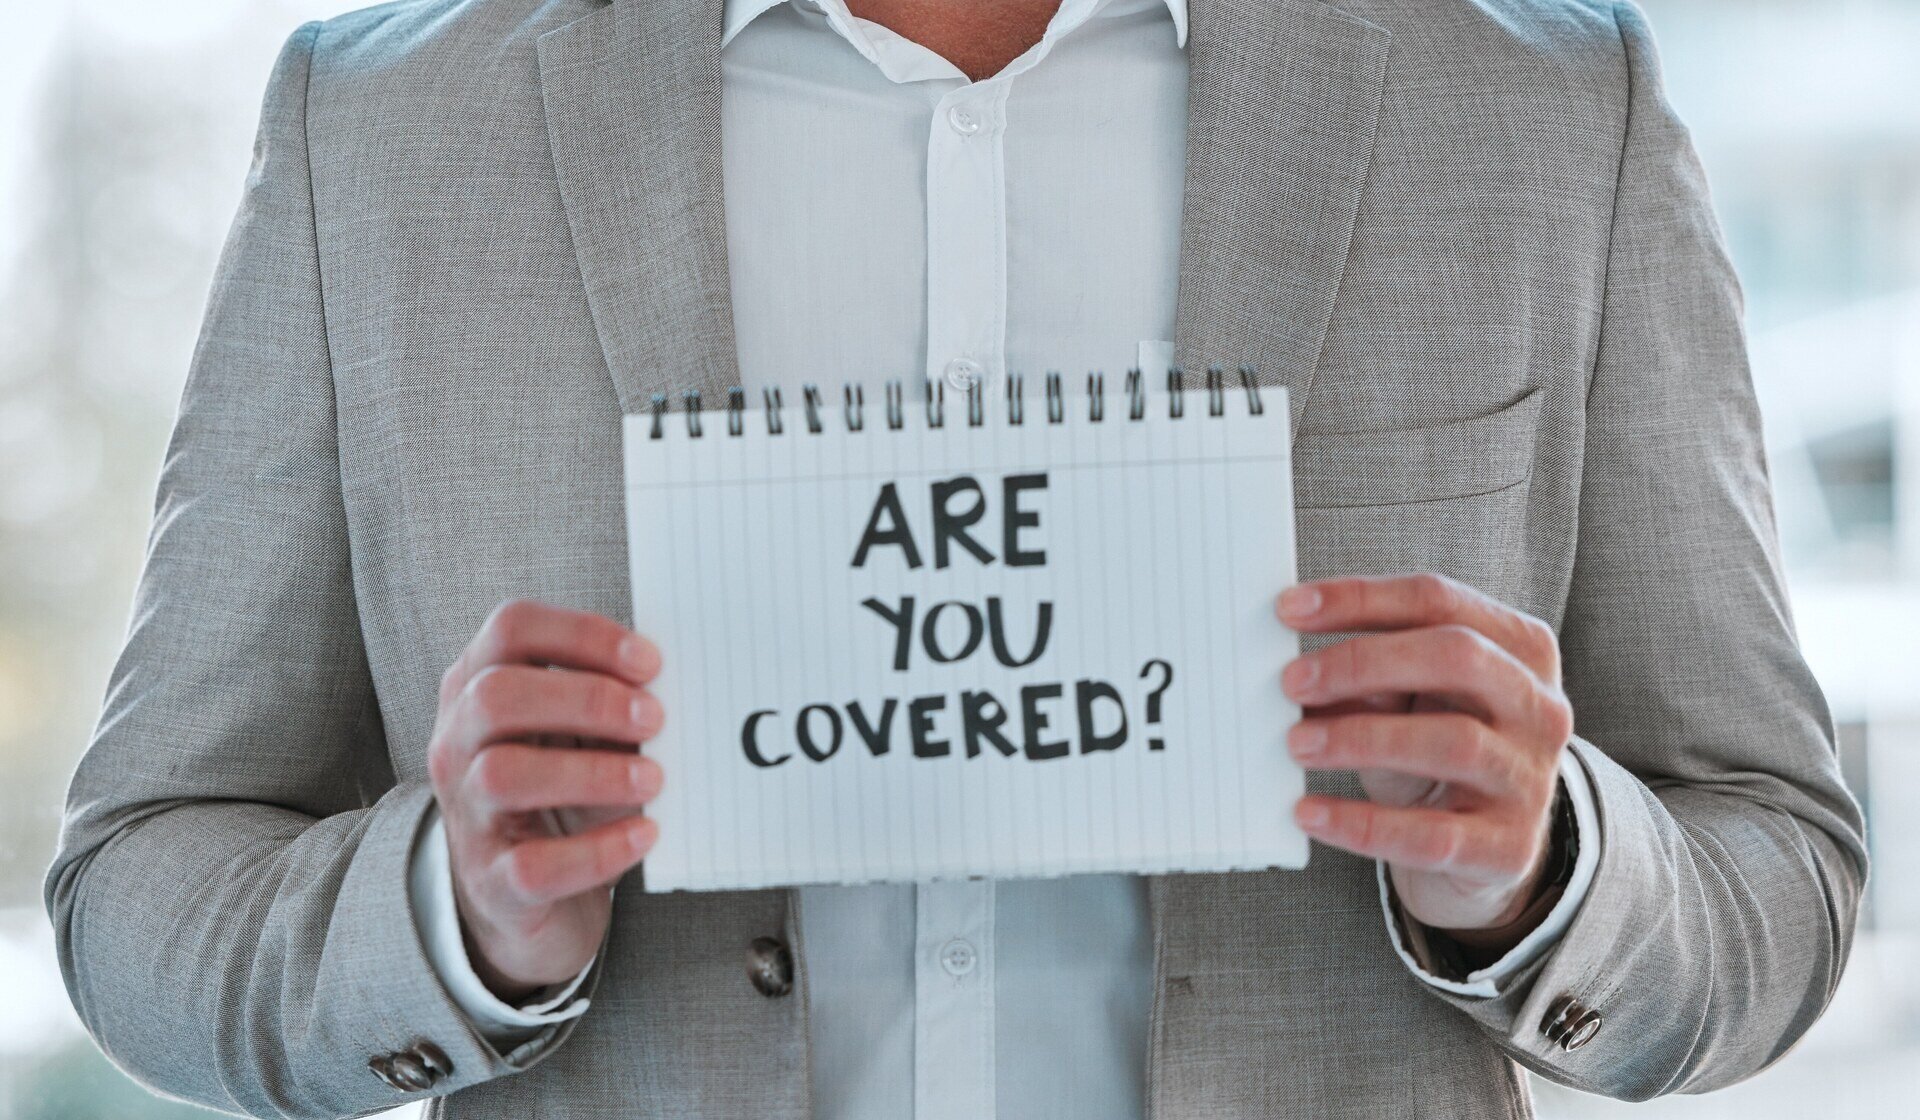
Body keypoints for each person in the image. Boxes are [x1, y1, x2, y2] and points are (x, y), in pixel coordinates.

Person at [45, 0, 1867, 1116]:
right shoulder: (379, 129)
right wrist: (456, 917)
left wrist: (1541, 867)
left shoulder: (1551, 107)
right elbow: (143, 893)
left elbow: (1777, 871)